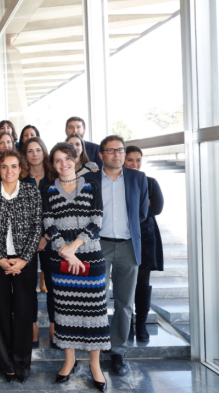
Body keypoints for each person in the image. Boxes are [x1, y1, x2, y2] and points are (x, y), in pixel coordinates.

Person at [40, 143, 110, 392]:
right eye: (57, 160)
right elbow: (49, 225)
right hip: (61, 262)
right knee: (65, 311)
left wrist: (75, 247)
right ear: (53, 164)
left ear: (76, 157)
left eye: (67, 158)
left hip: (91, 258)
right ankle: (69, 360)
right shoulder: (48, 190)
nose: (63, 164)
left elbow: (97, 219)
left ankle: (95, 365)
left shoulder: (92, 185)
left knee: (94, 314)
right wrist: (65, 251)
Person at [84, 135, 148, 376]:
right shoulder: (89, 179)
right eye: (111, 151)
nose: (117, 155)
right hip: (97, 246)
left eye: (120, 150)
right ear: (101, 155)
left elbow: (141, 214)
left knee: (124, 304)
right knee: (97, 302)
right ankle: (96, 351)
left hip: (128, 247)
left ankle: (118, 352)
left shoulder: (138, 178)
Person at [0, 149, 42, 384]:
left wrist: (24, 259)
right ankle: (5, 363)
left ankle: (22, 363)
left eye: (14, 166)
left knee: (24, 313)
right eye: (4, 166)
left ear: (21, 169)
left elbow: (37, 227)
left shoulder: (31, 192)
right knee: (0, 312)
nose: (9, 171)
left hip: (24, 260)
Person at [124, 146, 164, 342]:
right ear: (123, 160)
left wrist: (135, 206)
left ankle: (141, 325)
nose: (134, 164)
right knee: (126, 285)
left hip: (146, 236)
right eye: (130, 160)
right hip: (124, 236)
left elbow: (156, 207)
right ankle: (127, 324)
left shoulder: (150, 181)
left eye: (138, 159)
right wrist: (141, 204)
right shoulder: (119, 181)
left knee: (142, 284)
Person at [20, 137, 52, 344]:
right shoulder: (21, 180)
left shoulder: (55, 177)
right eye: (30, 151)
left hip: (52, 239)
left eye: (38, 150)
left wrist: (46, 237)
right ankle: (31, 325)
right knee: (27, 285)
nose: (34, 154)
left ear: (44, 152)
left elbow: (60, 211)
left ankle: (54, 325)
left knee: (53, 285)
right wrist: (34, 238)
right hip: (26, 239)